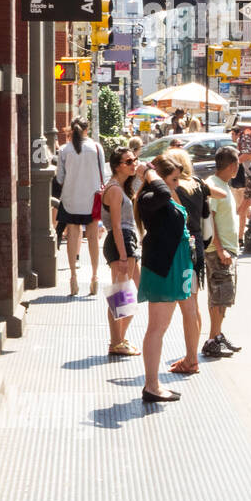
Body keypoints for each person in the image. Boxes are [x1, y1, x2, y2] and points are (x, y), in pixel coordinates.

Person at [134, 155, 194, 403]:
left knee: (160, 327)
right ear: (159, 177)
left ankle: (153, 384)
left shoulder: (159, 197)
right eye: (173, 179)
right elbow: (160, 191)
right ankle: (151, 385)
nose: (177, 184)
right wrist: (148, 172)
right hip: (163, 267)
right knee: (157, 328)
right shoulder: (151, 198)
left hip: (173, 265)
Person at [166, 148, 222, 375]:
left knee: (187, 305)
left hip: (181, 245)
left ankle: (191, 359)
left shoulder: (175, 188)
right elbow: (222, 194)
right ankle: (192, 355)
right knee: (193, 302)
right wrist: (203, 190)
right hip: (197, 243)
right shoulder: (197, 183)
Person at [55, 117, 108, 296]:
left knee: (72, 236)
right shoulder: (96, 147)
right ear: (88, 129)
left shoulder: (64, 150)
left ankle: (73, 277)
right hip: (92, 199)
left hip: (71, 199)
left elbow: (60, 178)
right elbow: (103, 177)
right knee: (93, 238)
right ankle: (94, 277)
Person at [101, 147, 141, 356]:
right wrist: (123, 255)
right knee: (121, 293)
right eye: (128, 161)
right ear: (117, 166)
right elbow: (116, 225)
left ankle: (119, 339)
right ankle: (116, 342)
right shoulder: (115, 189)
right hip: (121, 241)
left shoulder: (121, 187)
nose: (133, 163)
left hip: (126, 239)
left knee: (132, 290)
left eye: (134, 159)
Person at [204, 146, 243, 358]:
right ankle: (212, 339)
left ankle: (216, 335)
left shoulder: (223, 185)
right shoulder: (213, 186)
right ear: (232, 166)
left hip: (227, 249)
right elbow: (209, 219)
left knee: (223, 296)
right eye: (237, 163)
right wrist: (220, 249)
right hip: (220, 251)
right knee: (219, 296)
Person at [230, 125, 251, 242]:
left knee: (242, 209)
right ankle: (241, 237)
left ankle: (241, 237)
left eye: (232, 134)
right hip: (250, 178)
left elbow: (247, 156)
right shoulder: (243, 143)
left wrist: (233, 162)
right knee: (244, 210)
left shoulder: (245, 141)